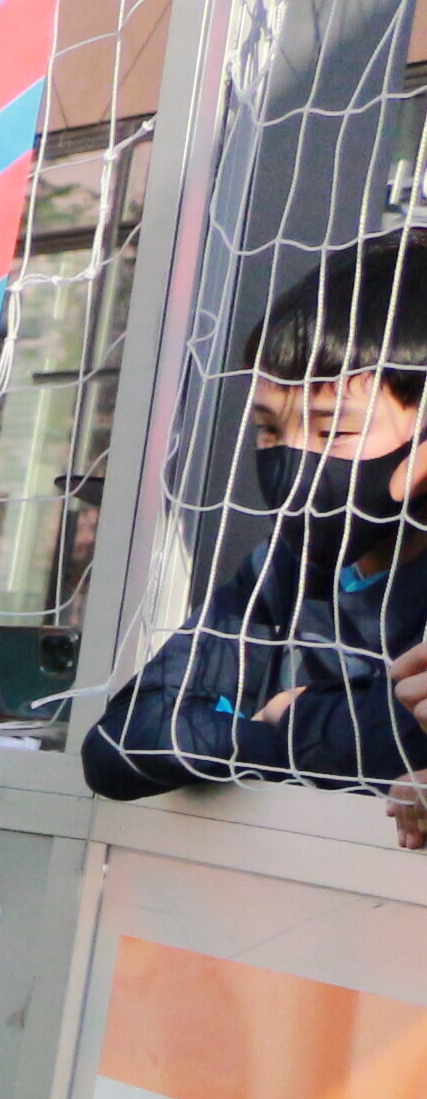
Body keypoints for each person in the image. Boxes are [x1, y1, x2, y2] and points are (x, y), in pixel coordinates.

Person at [92, 237, 427, 798]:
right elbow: (125, 741)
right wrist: (281, 739)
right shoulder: (282, 572)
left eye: (333, 431)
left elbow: (405, 742)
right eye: (270, 430)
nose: (292, 463)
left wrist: (282, 721)